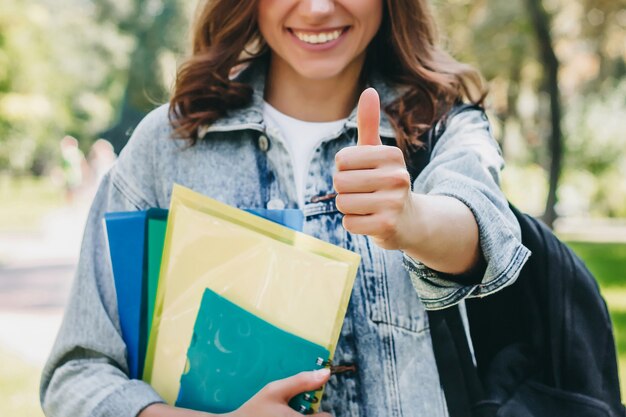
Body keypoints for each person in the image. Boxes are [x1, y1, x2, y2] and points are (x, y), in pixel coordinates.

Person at [40, 1, 531, 416]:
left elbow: (484, 232)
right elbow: (77, 372)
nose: (318, 9)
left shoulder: (443, 126)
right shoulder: (167, 145)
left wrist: (412, 220)